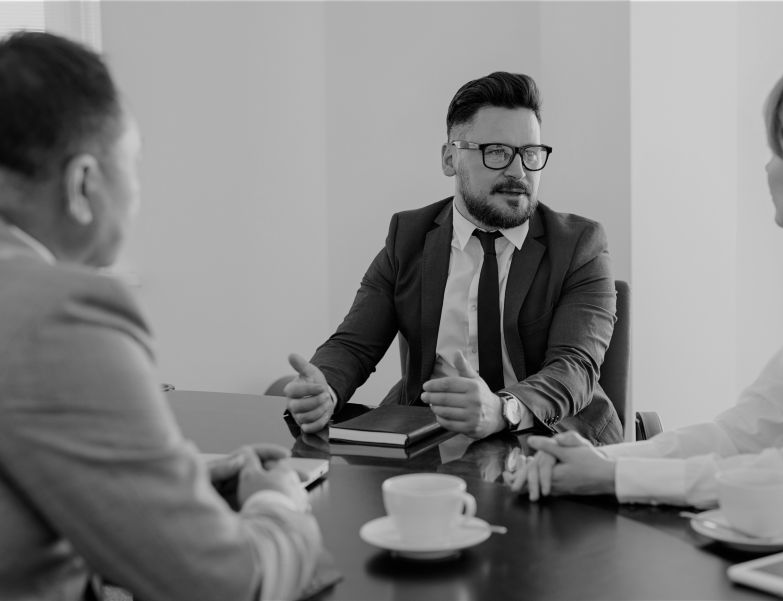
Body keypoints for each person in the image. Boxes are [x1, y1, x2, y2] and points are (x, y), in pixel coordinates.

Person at [0, 31, 324, 601]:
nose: (137, 191)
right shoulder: (58, 315)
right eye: (133, 164)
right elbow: (228, 586)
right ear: (83, 184)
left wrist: (174, 481)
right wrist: (278, 501)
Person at [507, 62, 783, 509]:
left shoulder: (579, 242)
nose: (766, 166)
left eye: (778, 151)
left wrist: (614, 475)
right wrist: (600, 461)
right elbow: (740, 433)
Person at [285, 71, 622, 444]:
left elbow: (574, 367)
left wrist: (503, 410)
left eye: (530, 153)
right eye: (497, 152)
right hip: (433, 436)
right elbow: (354, 344)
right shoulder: (408, 237)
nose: (518, 171)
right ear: (450, 159)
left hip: (550, 437)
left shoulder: (579, 246)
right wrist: (325, 389)